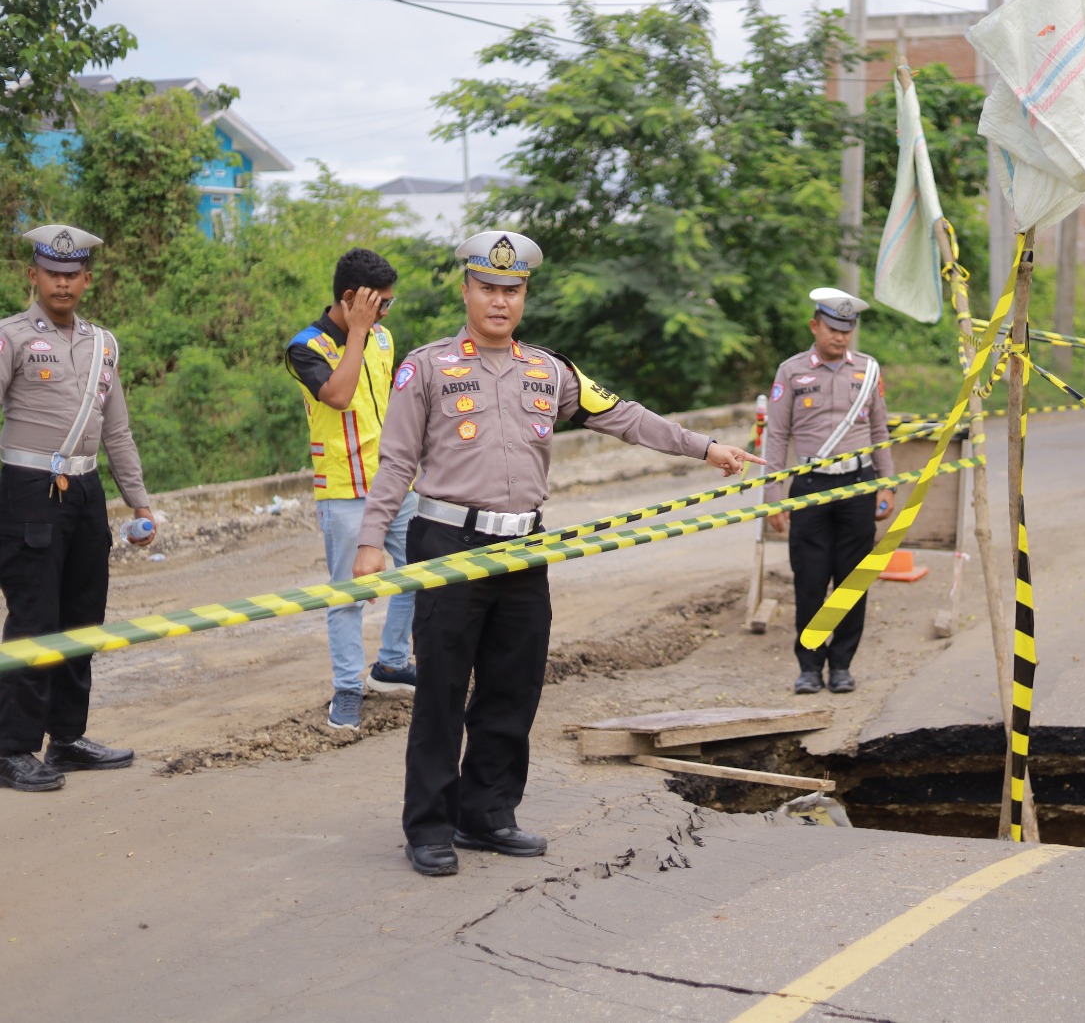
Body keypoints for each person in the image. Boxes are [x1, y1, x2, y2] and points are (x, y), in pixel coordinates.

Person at [353, 230, 762, 877]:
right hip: (449, 543)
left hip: (524, 546)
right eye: (487, 287)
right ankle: (428, 824)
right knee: (440, 689)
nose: (499, 300)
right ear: (465, 290)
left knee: (513, 685)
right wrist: (373, 539)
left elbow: (623, 415)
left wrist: (705, 448)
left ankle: (486, 814)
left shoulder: (549, 370)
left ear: (524, 297)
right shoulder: (426, 367)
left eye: (511, 290)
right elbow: (397, 459)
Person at [0, 224, 154, 792]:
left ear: (87, 279)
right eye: (52, 274)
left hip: (87, 495)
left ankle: (65, 738)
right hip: (27, 490)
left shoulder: (103, 345)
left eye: (72, 275)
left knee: (82, 618)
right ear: (34, 276)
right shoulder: (10, 338)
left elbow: (118, 434)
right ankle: (11, 748)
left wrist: (139, 502)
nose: (62, 284)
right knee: (35, 622)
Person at [285, 248, 419, 731]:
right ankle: (347, 688)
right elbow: (338, 396)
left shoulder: (383, 338)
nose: (386, 312)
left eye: (388, 303)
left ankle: (391, 663)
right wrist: (358, 332)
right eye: (379, 303)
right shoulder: (307, 347)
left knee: (420, 575)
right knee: (348, 595)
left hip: (398, 483)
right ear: (350, 298)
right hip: (344, 490)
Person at [764, 288, 895, 696]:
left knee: (852, 581)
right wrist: (774, 496)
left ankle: (841, 666)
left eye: (848, 329)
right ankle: (809, 666)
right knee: (810, 580)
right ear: (815, 326)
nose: (841, 337)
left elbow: (879, 431)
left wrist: (886, 485)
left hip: (859, 484)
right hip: (810, 487)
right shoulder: (792, 371)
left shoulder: (869, 370)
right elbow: (777, 435)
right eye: (833, 329)